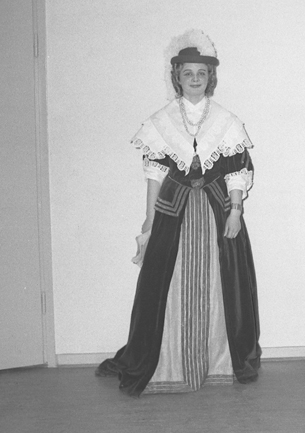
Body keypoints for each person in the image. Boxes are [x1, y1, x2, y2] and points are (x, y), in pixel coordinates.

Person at [96, 30, 261, 396]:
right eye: (188, 73)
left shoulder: (226, 121)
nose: (195, 79)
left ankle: (219, 363)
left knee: (221, 283)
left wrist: (235, 211)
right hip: (174, 213)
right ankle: (167, 365)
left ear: (210, 77)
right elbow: (154, 174)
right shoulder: (162, 121)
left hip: (217, 211)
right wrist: (149, 218)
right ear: (177, 77)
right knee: (165, 285)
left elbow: (236, 172)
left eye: (201, 73)